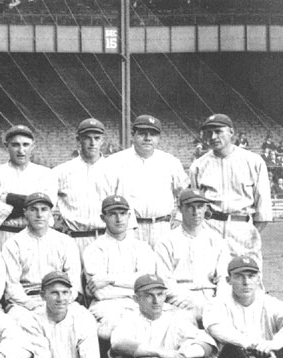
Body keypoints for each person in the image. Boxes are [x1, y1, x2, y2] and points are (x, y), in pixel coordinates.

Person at [203, 256, 283, 358]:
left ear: (258, 278)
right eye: (239, 276)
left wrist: (271, 345)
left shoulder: (270, 303)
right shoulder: (217, 304)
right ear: (228, 280)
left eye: (251, 276)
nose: (246, 282)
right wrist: (251, 345)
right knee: (226, 348)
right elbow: (214, 328)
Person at [189, 113, 271, 267]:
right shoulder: (198, 165)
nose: (213, 136)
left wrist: (250, 232)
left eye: (218, 131)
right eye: (209, 132)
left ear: (231, 132)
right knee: (209, 279)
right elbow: (194, 204)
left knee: (246, 279)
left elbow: (263, 208)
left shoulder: (253, 161)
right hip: (210, 226)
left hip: (242, 226)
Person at [105, 115, 189, 248]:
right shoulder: (115, 162)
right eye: (143, 134)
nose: (148, 138)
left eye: (153, 134)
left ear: (158, 137)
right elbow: (106, 196)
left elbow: (185, 194)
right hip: (130, 229)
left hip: (163, 227)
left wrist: (179, 217)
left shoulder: (170, 162)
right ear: (133, 135)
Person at [83, 195, 156, 340]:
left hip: (139, 302)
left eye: (122, 214)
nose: (118, 219)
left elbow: (147, 283)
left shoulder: (142, 247)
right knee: (121, 326)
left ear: (129, 216)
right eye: (112, 214)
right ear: (103, 218)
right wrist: (133, 284)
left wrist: (109, 279)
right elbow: (100, 292)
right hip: (107, 305)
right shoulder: (94, 249)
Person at [154, 189, 231, 321]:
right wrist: (191, 302)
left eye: (200, 206)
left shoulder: (216, 240)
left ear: (206, 208)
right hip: (179, 300)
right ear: (180, 208)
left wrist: (218, 301)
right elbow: (165, 281)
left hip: (211, 298)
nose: (196, 212)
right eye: (190, 207)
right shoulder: (166, 241)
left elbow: (224, 278)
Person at [2, 192, 81, 315]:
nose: (39, 215)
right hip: (26, 302)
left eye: (44, 209)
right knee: (17, 322)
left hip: (59, 299)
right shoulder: (13, 244)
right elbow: (12, 285)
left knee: (83, 319)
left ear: (50, 212)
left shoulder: (65, 241)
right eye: (33, 210)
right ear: (25, 212)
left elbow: (74, 282)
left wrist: (62, 302)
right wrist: (31, 305)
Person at [52, 118, 120, 252]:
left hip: (106, 239)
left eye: (97, 138)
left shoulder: (116, 171)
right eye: (87, 138)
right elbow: (48, 206)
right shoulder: (61, 171)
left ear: (102, 140)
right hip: (73, 240)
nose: (92, 143)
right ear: (78, 140)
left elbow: (126, 210)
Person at [0, 124, 52, 249]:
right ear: (6, 146)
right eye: (15, 145)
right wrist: (30, 205)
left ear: (33, 146)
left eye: (25, 145)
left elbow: (46, 206)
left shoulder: (45, 174)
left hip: (34, 237)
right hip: (2, 235)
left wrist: (8, 198)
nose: (21, 150)